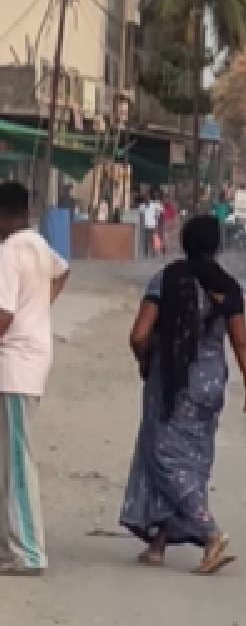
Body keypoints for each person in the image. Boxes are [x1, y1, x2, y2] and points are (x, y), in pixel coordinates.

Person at [120, 215, 246, 575]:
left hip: (173, 380)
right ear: (216, 245)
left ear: (184, 241)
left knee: (162, 456)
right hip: (210, 385)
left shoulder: (166, 279)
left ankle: (210, 533)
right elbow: (242, 341)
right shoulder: (227, 286)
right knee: (194, 460)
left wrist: (146, 360)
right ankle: (159, 543)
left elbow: (139, 335)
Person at [0, 181, 69, 574]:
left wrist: (28, 313)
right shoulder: (38, 244)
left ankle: (28, 553)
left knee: (17, 463)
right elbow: (64, 271)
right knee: (8, 460)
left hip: (15, 366)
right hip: (30, 360)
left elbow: (4, 314)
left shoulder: (10, 250)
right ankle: (11, 545)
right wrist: (39, 308)